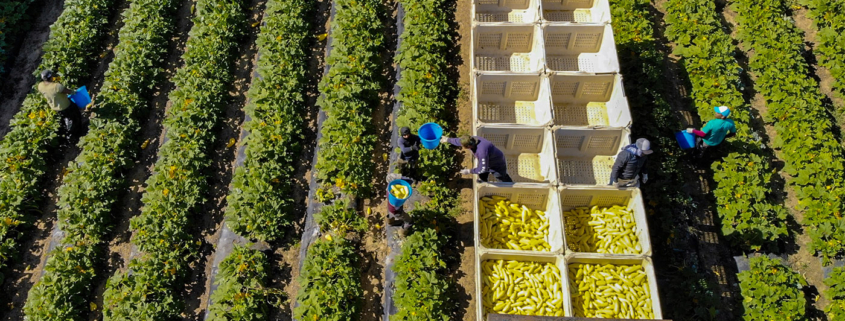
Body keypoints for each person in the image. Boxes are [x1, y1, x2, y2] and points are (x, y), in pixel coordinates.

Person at [440, 135, 513, 182]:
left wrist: (469, 171)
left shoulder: (481, 152)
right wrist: (447, 140)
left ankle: (510, 186)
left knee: (500, 176)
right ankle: (484, 182)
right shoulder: (472, 139)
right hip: (488, 160)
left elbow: (482, 169)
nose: (462, 147)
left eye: (464, 146)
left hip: (497, 163)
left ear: (469, 146)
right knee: (482, 175)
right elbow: (459, 141)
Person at [37, 69, 81, 142]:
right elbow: (67, 91)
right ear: (51, 77)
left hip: (55, 107)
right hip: (65, 106)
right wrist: (74, 92)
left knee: (65, 119)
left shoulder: (40, 86)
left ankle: (68, 133)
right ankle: (73, 136)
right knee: (74, 118)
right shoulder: (56, 86)